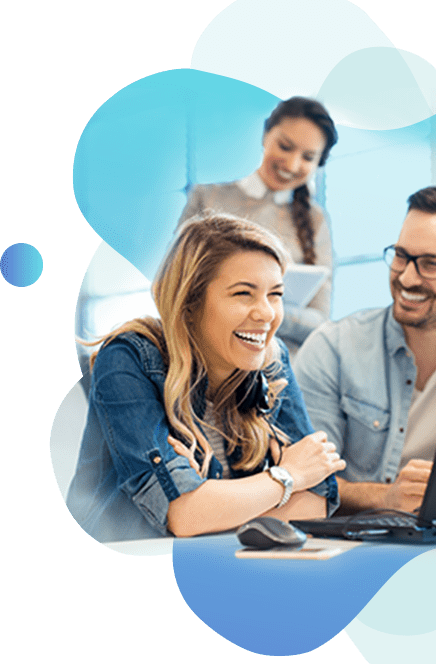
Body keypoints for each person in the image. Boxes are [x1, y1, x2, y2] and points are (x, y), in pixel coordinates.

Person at [67, 212, 345, 543]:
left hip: (218, 563)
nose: (267, 313)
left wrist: (213, 503)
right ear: (190, 303)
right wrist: (288, 476)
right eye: (244, 293)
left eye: (275, 294)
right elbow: (185, 515)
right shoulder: (129, 357)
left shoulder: (271, 360)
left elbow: (315, 502)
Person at [293, 185, 436, 516]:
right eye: (401, 256)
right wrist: (386, 497)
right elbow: (306, 481)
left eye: (431, 263)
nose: (406, 276)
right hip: (361, 546)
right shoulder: (332, 348)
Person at [177, 96, 339, 353]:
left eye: (308, 157)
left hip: (281, 372)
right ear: (266, 135)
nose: (293, 164)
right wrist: (278, 309)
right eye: (285, 146)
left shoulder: (316, 222)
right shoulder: (207, 199)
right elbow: (175, 288)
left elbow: (320, 323)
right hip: (207, 359)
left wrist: (251, 307)